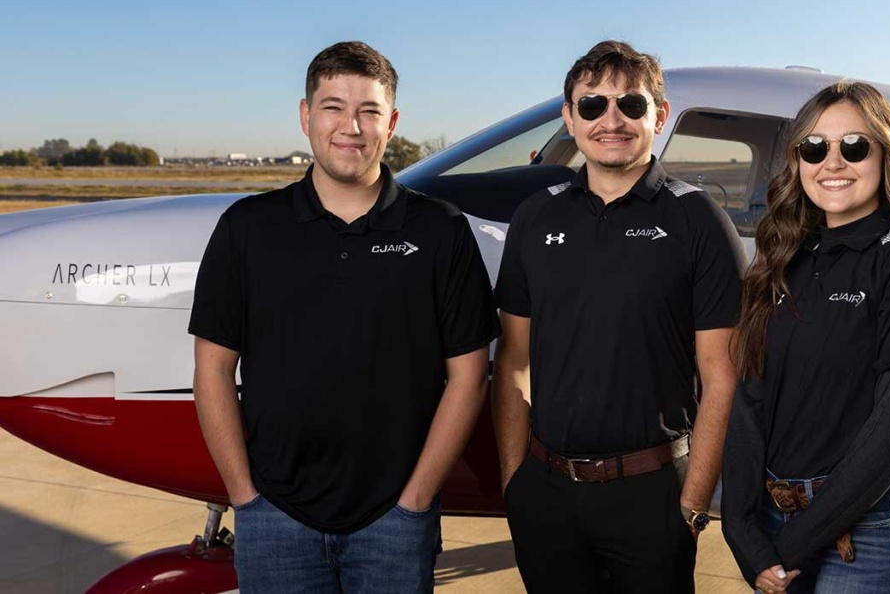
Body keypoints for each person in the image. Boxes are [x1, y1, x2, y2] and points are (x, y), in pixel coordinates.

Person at [189, 41, 499, 593]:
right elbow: (212, 370)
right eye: (333, 106)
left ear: (392, 123)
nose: (350, 126)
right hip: (274, 520)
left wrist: (416, 501)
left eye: (369, 110)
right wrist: (245, 498)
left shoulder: (440, 230)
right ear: (306, 116)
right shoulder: (247, 228)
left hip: (396, 525)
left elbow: (470, 377)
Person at [492, 40, 747, 593]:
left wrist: (693, 504)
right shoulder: (535, 218)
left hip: (652, 494)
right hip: (547, 491)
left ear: (660, 116)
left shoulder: (696, 219)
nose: (612, 120)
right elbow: (512, 356)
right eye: (592, 106)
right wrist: (517, 485)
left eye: (631, 105)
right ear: (569, 119)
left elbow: (722, 374)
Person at [721, 81, 890, 593]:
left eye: (854, 146)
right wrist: (743, 531)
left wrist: (791, 548)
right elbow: (749, 403)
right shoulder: (783, 263)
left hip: (870, 533)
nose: (833, 162)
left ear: (886, 157)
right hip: (778, 523)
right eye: (814, 148)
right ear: (797, 162)